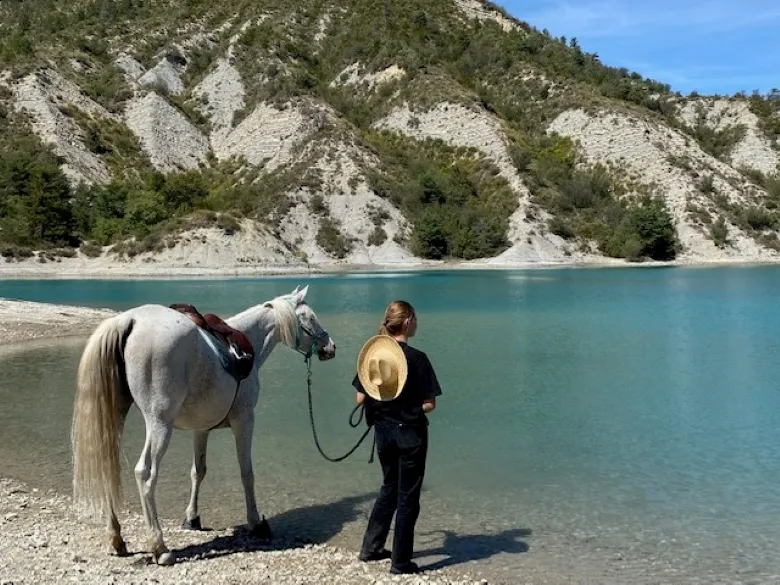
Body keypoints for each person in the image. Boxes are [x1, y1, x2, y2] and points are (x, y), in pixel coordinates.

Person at [352, 300, 442, 575]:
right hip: (410, 434)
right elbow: (430, 404)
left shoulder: (373, 355)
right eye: (415, 319)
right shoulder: (417, 358)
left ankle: (371, 548)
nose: (417, 324)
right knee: (408, 497)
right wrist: (411, 406)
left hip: (383, 432)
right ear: (407, 322)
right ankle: (400, 562)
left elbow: (359, 397)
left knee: (389, 487)